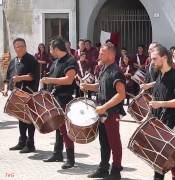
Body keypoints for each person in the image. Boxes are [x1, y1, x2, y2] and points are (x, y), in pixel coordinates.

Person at [141, 44, 175, 180]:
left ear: (164, 58)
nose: (152, 62)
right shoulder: (159, 75)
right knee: (159, 158)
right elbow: (156, 99)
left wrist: (160, 104)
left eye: (155, 59)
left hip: (171, 122)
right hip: (159, 123)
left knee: (174, 159)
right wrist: (148, 116)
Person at [81, 43, 126, 180]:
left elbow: (121, 94)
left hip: (111, 113)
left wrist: (105, 107)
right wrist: (88, 86)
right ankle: (103, 168)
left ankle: (116, 170)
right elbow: (100, 86)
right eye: (100, 52)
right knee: (104, 143)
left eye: (102, 52)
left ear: (111, 54)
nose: (99, 54)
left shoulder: (116, 71)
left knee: (114, 142)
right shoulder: (103, 69)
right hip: (102, 112)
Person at [42, 38, 78, 169]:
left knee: (65, 130)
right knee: (58, 128)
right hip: (55, 99)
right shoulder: (55, 62)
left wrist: (50, 79)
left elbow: (69, 80)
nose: (50, 52)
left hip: (64, 99)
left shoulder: (70, 60)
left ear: (56, 49)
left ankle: (70, 158)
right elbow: (51, 79)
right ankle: (57, 153)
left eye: (51, 49)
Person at [3, 38, 40, 153]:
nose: (20, 48)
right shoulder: (13, 61)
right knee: (20, 118)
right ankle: (22, 141)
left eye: (22, 46)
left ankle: (30, 144)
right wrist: (5, 89)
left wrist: (20, 78)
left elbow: (33, 76)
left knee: (29, 119)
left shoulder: (31, 60)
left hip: (29, 93)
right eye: (17, 46)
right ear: (14, 48)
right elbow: (8, 78)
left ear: (25, 47)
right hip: (17, 95)